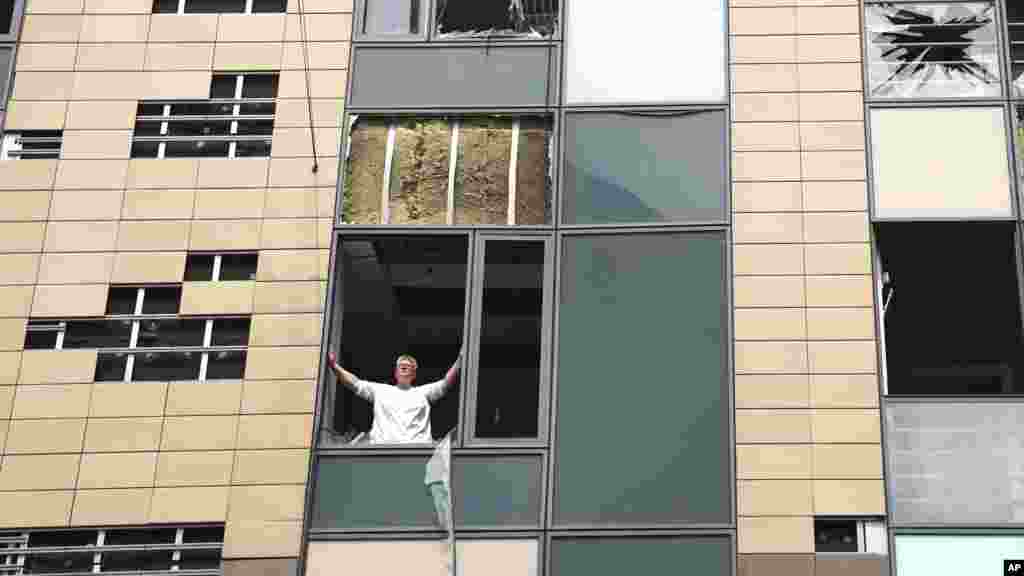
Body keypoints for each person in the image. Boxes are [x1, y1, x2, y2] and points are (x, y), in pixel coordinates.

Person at [326, 350, 461, 444]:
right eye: (401, 366)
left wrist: (461, 358)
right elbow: (355, 383)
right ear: (395, 372)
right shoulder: (381, 390)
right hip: (384, 453)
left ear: (414, 375)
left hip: (417, 454)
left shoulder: (423, 393)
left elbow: (446, 383)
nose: (404, 366)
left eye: (409, 366)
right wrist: (334, 366)